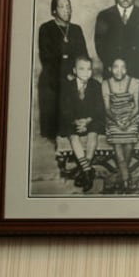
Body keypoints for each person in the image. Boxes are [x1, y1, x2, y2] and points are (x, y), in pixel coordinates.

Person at [37, 0, 88, 140]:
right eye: (62, 7)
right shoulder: (46, 28)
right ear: (54, 10)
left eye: (68, 6)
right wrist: (66, 73)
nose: (66, 10)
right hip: (52, 79)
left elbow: (83, 55)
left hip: (74, 76)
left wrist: (76, 73)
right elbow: (47, 58)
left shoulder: (76, 29)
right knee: (56, 129)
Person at [59, 56, 105, 192]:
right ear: (74, 70)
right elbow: (65, 108)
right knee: (72, 135)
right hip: (74, 120)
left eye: (89, 69)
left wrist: (88, 120)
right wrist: (76, 121)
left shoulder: (96, 85)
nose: (86, 72)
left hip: (91, 119)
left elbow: (99, 108)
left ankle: (85, 170)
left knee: (93, 134)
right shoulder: (68, 86)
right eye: (81, 69)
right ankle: (88, 170)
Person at [101, 57, 139, 192]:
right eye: (115, 66)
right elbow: (107, 109)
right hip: (114, 118)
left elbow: (137, 107)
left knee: (129, 142)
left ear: (126, 69)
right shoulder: (105, 84)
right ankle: (126, 177)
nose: (119, 70)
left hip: (131, 117)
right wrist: (116, 120)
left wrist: (129, 120)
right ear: (110, 69)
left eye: (122, 67)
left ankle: (122, 174)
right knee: (117, 143)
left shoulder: (134, 82)